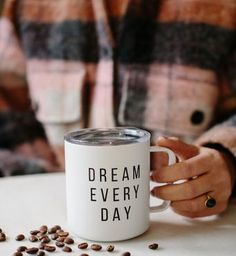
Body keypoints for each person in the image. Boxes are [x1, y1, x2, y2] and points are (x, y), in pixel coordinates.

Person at [0, 0, 235, 218]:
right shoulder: (27, 6)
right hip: (59, 228)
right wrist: (37, 180)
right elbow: (8, 107)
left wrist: (226, 160)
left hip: (189, 231)